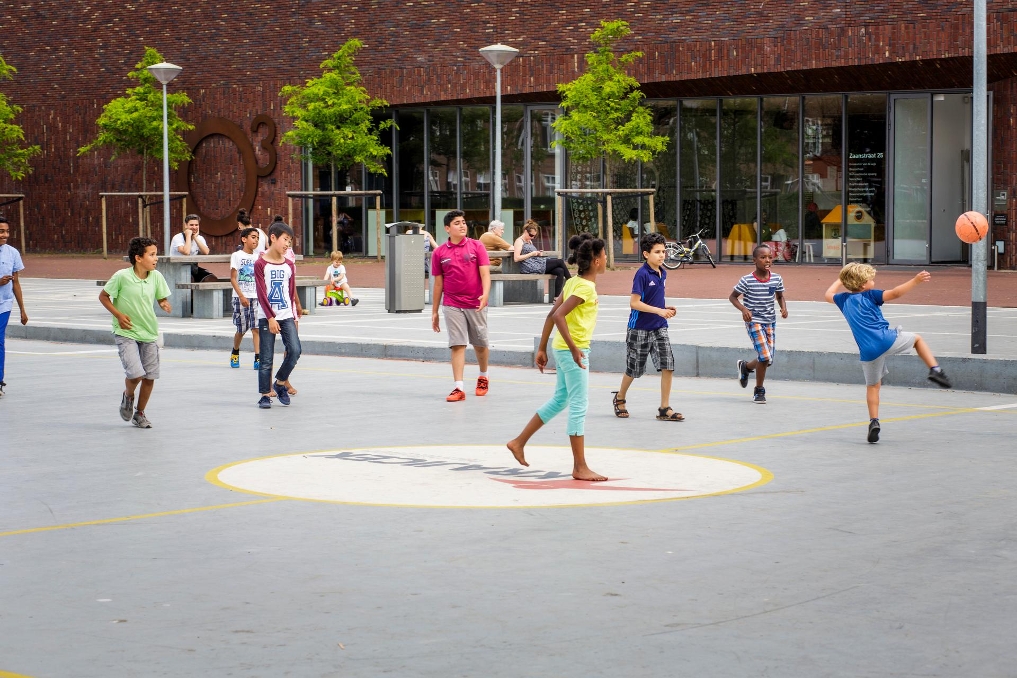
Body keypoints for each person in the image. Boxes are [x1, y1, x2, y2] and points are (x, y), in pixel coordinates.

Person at [506, 233, 609, 482]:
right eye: (604, 255)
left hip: (562, 348)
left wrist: (542, 348)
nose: (606, 259)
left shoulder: (573, 282)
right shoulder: (583, 286)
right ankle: (580, 467)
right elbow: (559, 315)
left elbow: (551, 314)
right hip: (573, 350)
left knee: (561, 399)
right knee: (578, 405)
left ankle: (519, 442)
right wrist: (575, 350)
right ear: (596, 260)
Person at [824, 263, 952, 443]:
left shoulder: (842, 299)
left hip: (868, 351)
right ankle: (935, 370)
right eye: (871, 279)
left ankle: (874, 421)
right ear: (862, 285)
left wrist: (839, 280)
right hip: (885, 340)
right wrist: (915, 281)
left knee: (873, 386)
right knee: (917, 339)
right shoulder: (871, 295)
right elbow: (896, 293)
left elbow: (827, 295)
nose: (873, 282)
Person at [98, 237, 172, 428]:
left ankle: (139, 413)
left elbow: (160, 296)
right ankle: (128, 396)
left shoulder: (156, 277)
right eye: (152, 254)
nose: (156, 258)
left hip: (149, 332)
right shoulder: (122, 276)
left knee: (149, 377)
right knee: (136, 374)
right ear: (139, 258)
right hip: (126, 332)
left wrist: (163, 302)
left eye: (156, 254)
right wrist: (119, 315)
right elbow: (104, 296)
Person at [611, 232, 682, 422]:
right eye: (657, 252)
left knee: (668, 365)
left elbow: (653, 299)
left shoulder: (662, 272)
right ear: (645, 254)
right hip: (639, 329)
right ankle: (619, 398)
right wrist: (658, 311)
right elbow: (634, 303)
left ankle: (664, 408)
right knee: (634, 369)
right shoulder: (641, 274)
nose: (662, 255)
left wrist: (664, 309)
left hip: (659, 327)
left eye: (664, 251)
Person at [431, 209, 491, 402]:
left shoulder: (476, 246)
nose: (462, 225)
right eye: (457, 223)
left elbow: (485, 274)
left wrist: (485, 295)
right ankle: (459, 388)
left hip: (476, 303)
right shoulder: (439, 253)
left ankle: (483, 376)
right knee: (457, 344)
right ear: (447, 228)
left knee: (480, 343)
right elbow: (438, 283)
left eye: (463, 222)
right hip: (451, 303)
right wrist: (434, 311)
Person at [729, 244, 788, 404]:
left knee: (767, 359)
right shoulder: (747, 280)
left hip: (770, 321)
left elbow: (780, 295)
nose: (767, 260)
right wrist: (743, 309)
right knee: (765, 356)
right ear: (754, 260)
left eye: (769, 257)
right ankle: (759, 391)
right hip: (754, 321)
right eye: (763, 257)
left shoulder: (776, 278)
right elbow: (733, 297)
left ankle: (746, 367)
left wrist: (783, 308)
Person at [254, 221, 302, 409]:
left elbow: (290, 293)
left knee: (295, 350)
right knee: (266, 358)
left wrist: (292, 313)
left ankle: (280, 382)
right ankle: (265, 394)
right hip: (268, 316)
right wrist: (270, 317)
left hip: (286, 315)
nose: (287, 245)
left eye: (290, 241)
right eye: (285, 240)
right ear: (273, 238)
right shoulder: (260, 263)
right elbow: (261, 293)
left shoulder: (289, 264)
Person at [0, 216, 29, 398]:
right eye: (1, 231)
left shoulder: (12, 253)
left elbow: (16, 282)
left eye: (7, 231)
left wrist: (22, 309)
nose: (5, 235)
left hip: (4, 304)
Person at [513, 219, 570, 300]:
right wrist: (532, 254)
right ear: (525, 231)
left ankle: (556, 298)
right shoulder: (519, 241)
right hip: (529, 266)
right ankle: (571, 282)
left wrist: (538, 253)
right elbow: (516, 258)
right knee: (560, 261)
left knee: (560, 271)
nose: (532, 238)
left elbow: (532, 254)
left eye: (534, 236)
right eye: (531, 235)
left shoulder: (529, 241)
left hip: (536, 263)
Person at [229, 227, 261, 370]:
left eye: (257, 238)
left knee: (256, 328)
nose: (256, 240)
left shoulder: (258, 257)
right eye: (253, 237)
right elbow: (233, 278)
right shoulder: (237, 255)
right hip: (240, 297)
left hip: (255, 297)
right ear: (244, 239)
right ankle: (235, 351)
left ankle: (258, 358)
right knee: (241, 329)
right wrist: (241, 295)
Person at [170, 214, 218, 282]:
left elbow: (206, 252)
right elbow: (186, 252)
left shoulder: (199, 238)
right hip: (178, 269)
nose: (194, 227)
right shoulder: (177, 238)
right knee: (189, 280)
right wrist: (188, 236)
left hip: (193, 269)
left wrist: (195, 237)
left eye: (196, 225)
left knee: (211, 279)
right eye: (191, 225)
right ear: (186, 225)